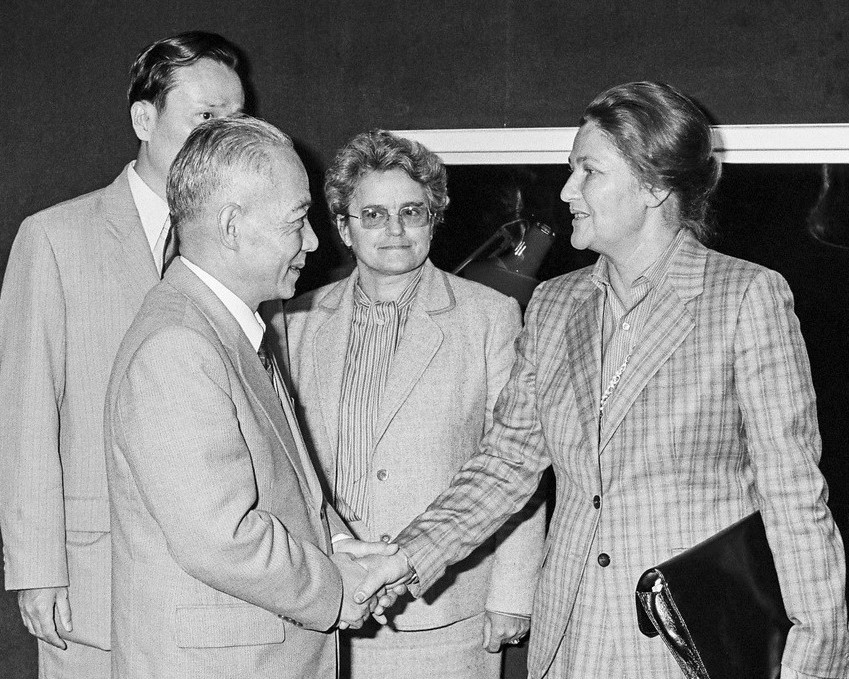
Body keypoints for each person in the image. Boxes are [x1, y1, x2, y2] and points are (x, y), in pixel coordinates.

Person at [359, 82, 849, 679]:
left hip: (683, 644)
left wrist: (814, 656)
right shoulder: (555, 303)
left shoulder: (745, 296)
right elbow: (506, 464)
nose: (566, 191)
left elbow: (795, 499)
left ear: (654, 186)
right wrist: (406, 557)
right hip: (568, 638)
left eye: (588, 171)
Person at [103, 116, 399, 679]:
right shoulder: (178, 347)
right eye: (297, 222)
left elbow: (283, 489)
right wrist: (336, 588)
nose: (313, 241)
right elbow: (222, 538)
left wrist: (341, 544)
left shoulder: (221, 328)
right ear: (232, 226)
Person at [0, 31, 245, 677]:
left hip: (215, 589)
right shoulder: (54, 238)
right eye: (206, 118)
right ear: (145, 118)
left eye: (237, 120)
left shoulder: (242, 244)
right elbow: (24, 414)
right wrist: (37, 568)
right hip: (92, 583)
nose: (226, 137)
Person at [284, 129, 545, 679]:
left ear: (435, 218)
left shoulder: (489, 317)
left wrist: (512, 591)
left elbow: (516, 459)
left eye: (412, 212)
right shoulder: (294, 321)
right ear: (342, 227)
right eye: (373, 214)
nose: (395, 230)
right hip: (321, 606)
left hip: (441, 612)